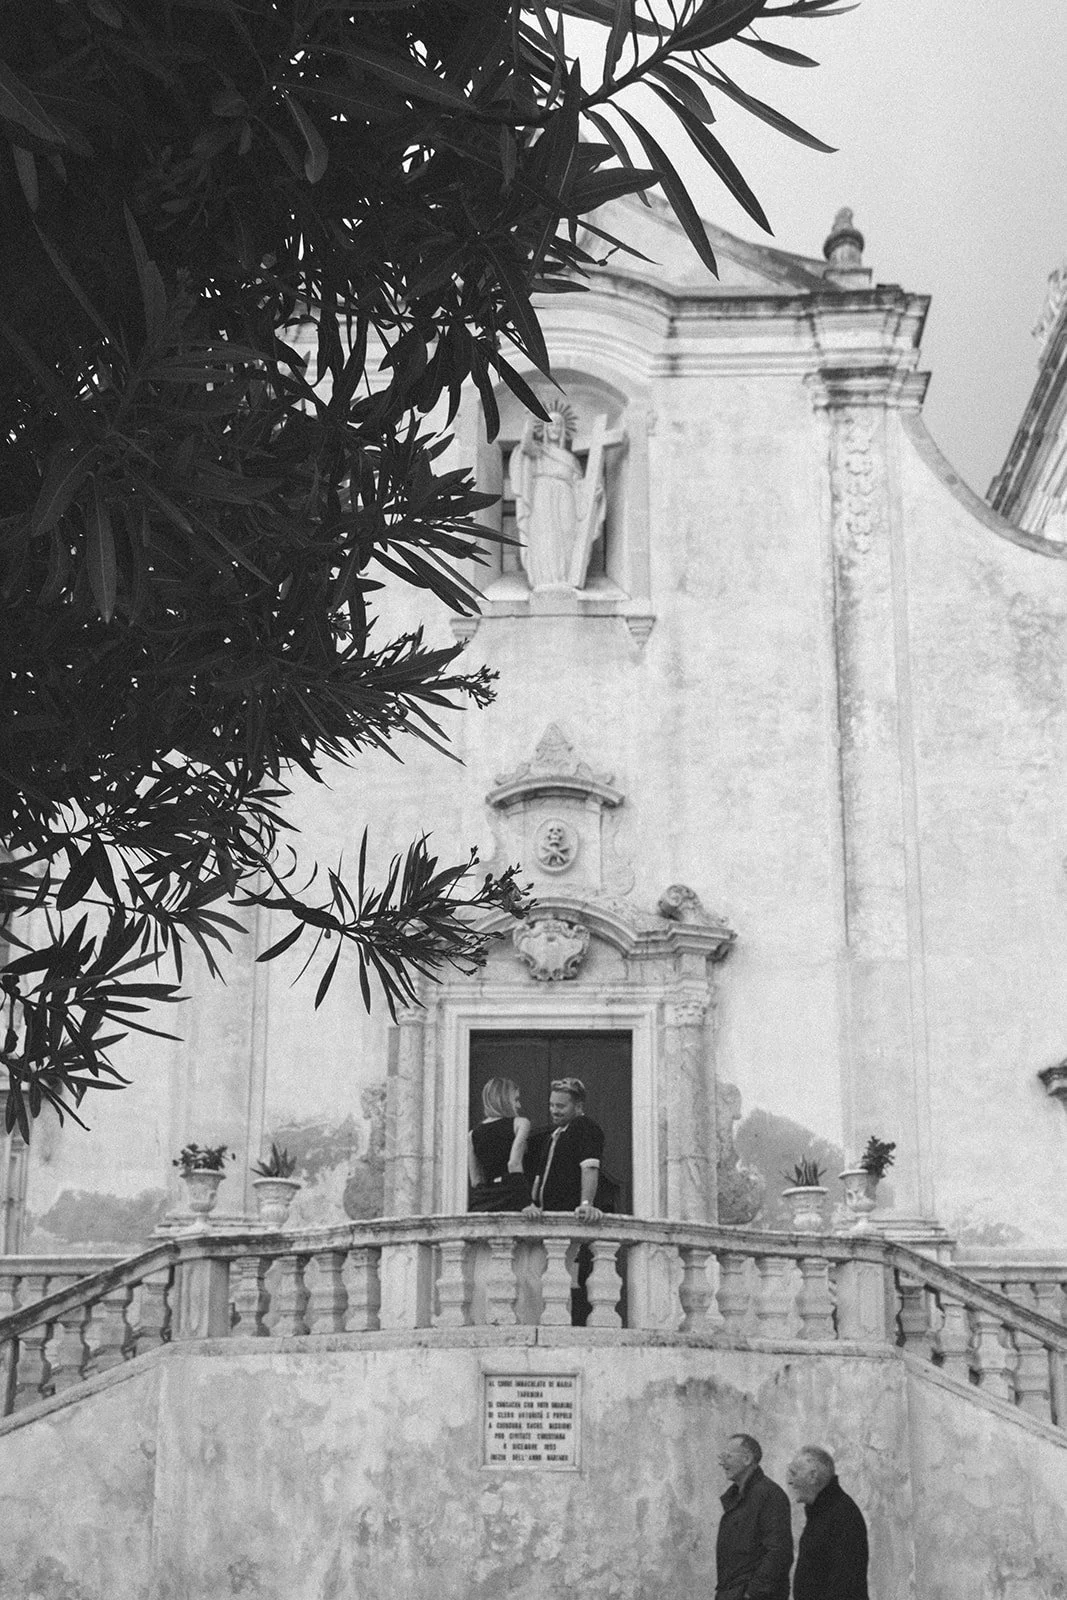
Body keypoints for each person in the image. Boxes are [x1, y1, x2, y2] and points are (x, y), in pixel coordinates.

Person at [715, 1434, 793, 1600]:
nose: (721, 1462)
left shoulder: (769, 1495)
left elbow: (779, 1552)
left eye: (727, 1456)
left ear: (747, 1459)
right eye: (722, 1456)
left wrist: (753, 1593)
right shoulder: (738, 1497)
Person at [787, 1446, 869, 1600]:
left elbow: (845, 1584)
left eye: (794, 1473)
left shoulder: (842, 1514)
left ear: (813, 1476)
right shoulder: (821, 1512)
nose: (790, 1481)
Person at [521, 1077, 604, 1222]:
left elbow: (589, 1167)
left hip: (569, 1218)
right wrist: (533, 1204)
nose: (554, 1111)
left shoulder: (585, 1127)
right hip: (547, 1217)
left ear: (578, 1107)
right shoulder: (554, 1135)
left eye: (560, 1106)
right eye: (551, 1105)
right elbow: (539, 1177)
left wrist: (586, 1204)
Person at [467, 1078, 531, 1212]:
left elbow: (476, 1180)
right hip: (511, 1197)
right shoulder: (520, 1123)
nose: (518, 1105)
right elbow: (513, 1164)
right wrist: (526, 1203)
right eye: (516, 1100)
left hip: (482, 1201)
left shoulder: (472, 1134)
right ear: (504, 1100)